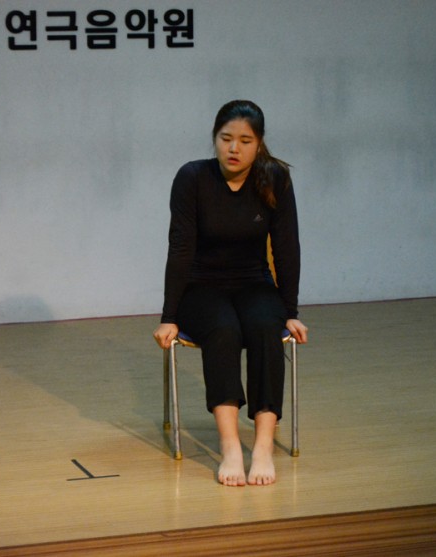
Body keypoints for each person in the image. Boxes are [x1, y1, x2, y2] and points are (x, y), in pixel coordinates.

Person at [153, 100, 308, 487]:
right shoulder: (192, 178)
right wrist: (168, 317)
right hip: (200, 287)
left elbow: (287, 248)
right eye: (225, 139)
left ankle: (263, 446)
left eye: (245, 141)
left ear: (259, 144)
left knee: (264, 326)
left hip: (254, 282)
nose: (233, 148)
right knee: (223, 329)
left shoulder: (274, 179)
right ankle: (231, 446)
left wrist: (290, 311)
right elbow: (180, 249)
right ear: (215, 138)